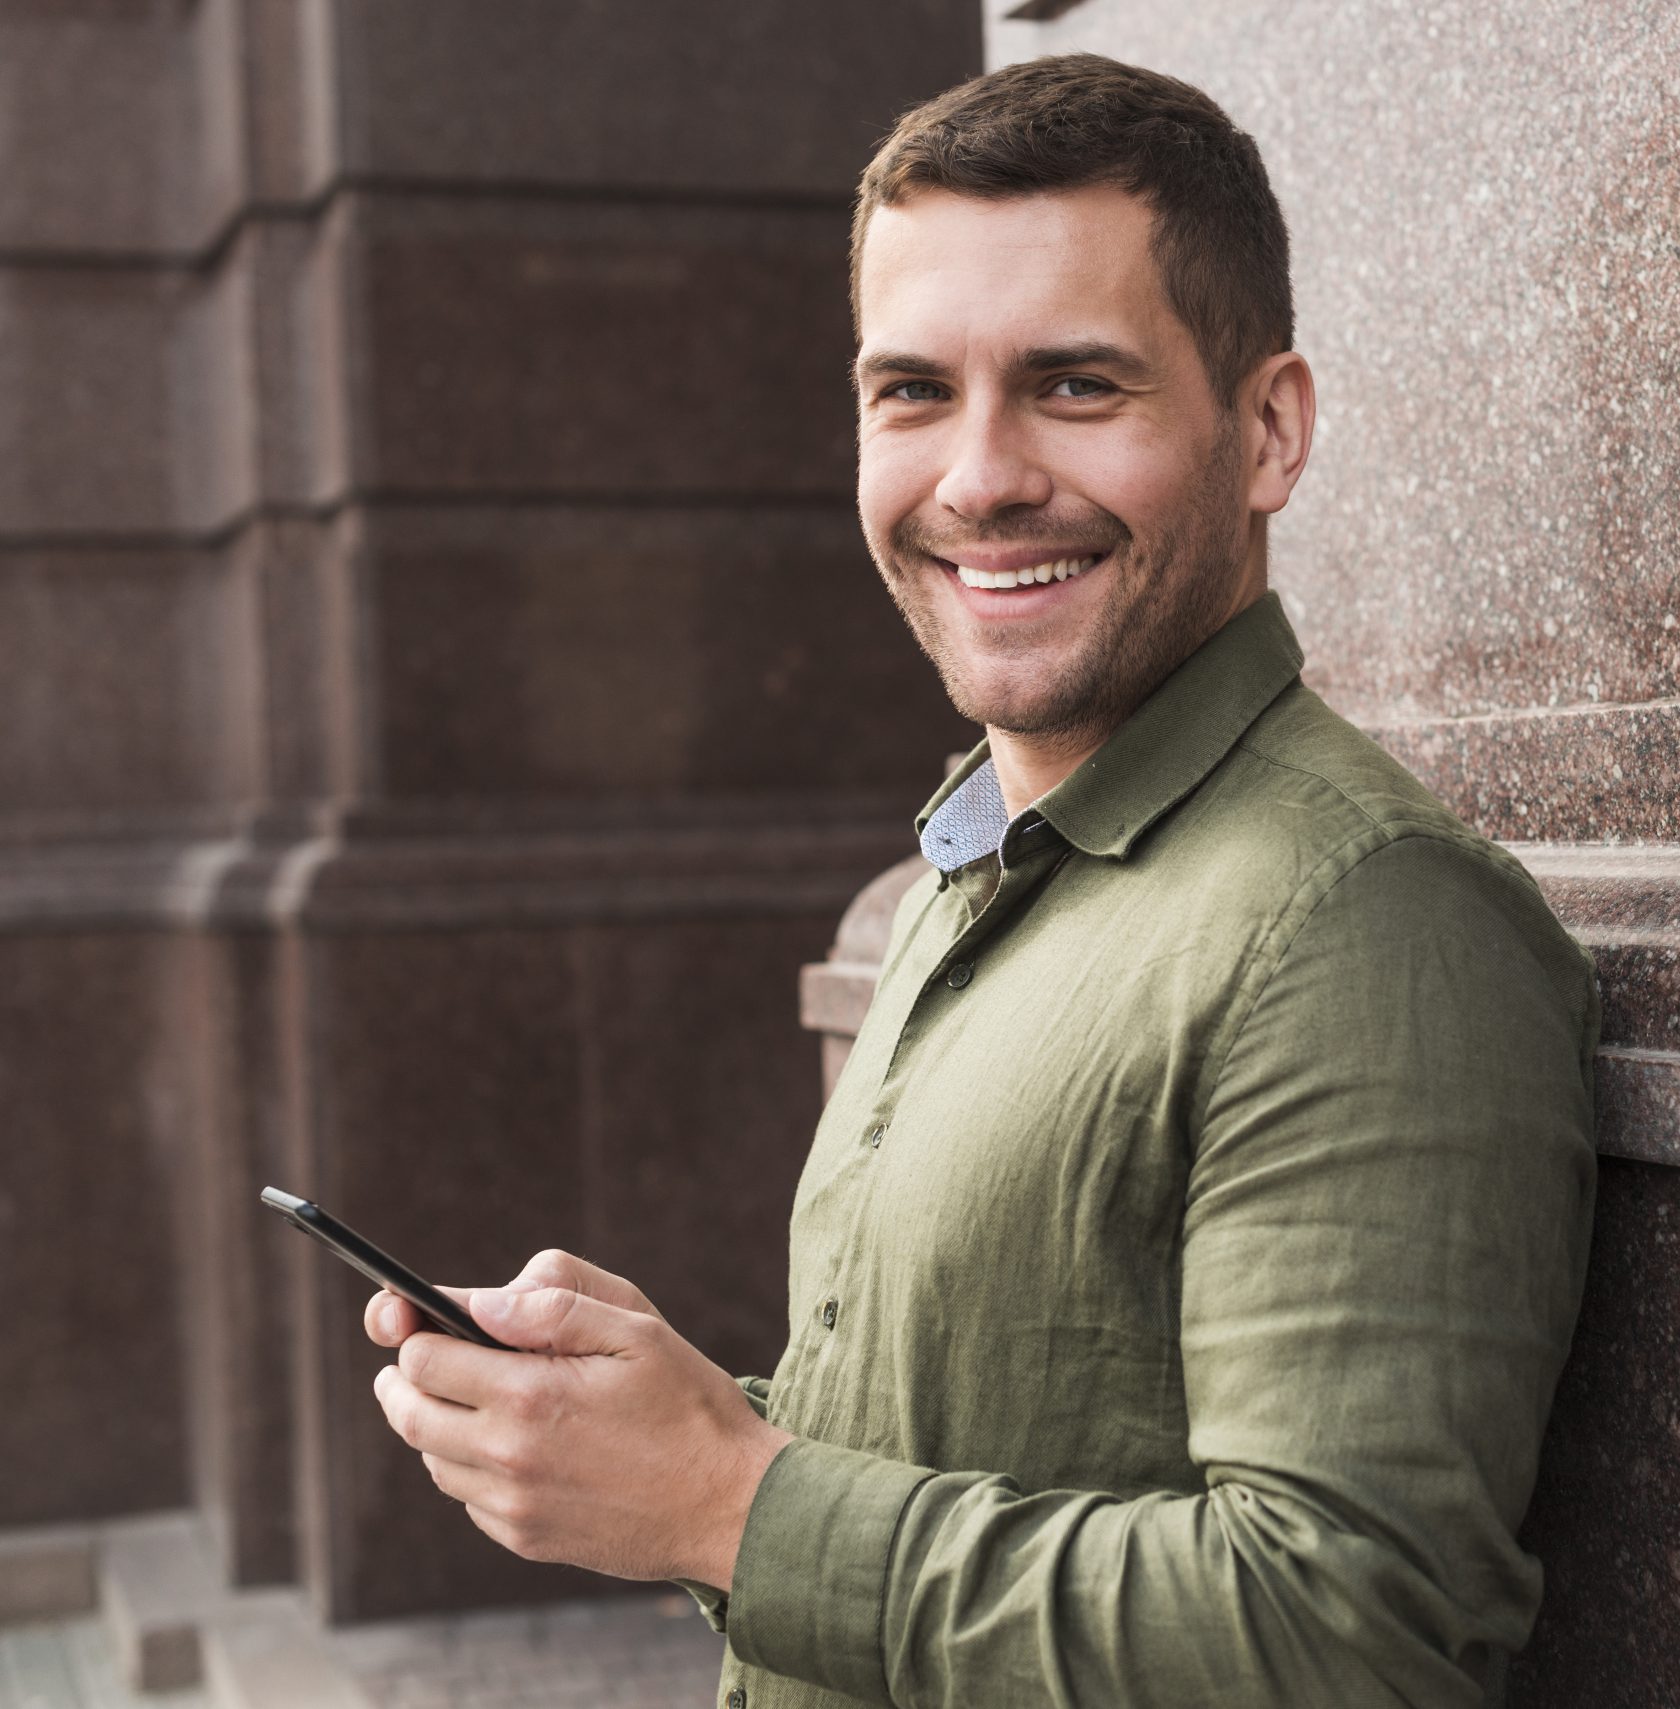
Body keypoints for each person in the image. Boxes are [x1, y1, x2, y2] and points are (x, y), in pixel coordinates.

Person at [365, 53, 1598, 1709]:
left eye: (1076, 386)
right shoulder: (983, 849)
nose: (977, 477)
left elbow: (1349, 1636)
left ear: (1268, 430)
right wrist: (660, 1439)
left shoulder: (1365, 917)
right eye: (911, 391)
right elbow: (974, 1446)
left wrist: (731, 1503)